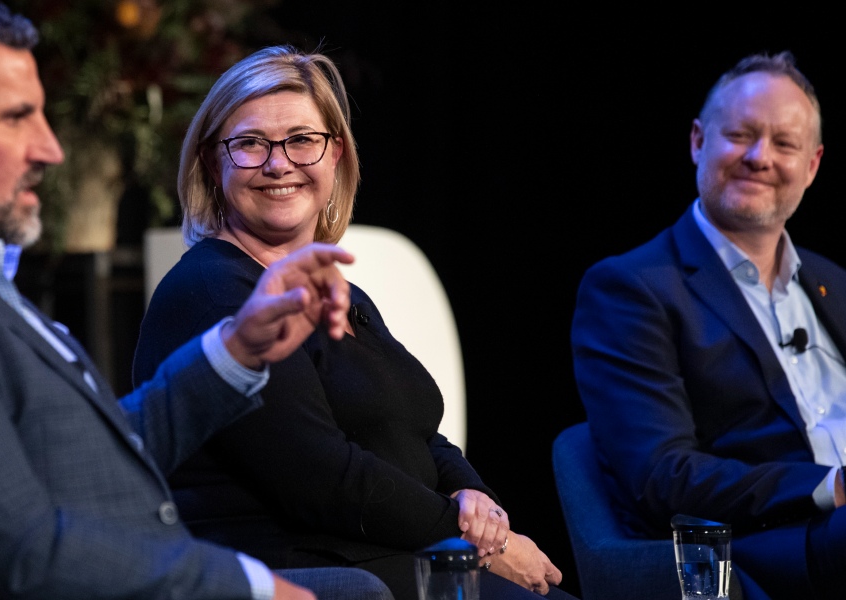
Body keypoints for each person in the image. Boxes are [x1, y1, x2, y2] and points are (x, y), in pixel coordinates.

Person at [0, 2, 398, 599]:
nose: (50, 149)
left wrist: (238, 350)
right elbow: (23, 557)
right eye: (15, 118)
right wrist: (246, 586)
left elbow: (88, 459)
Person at [132, 45, 575, 600]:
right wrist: (479, 544)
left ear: (335, 153)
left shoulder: (339, 289)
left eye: (302, 139)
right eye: (248, 144)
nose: (278, 163)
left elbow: (413, 430)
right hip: (309, 569)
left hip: (390, 550)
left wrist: (474, 497)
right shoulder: (212, 291)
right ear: (210, 163)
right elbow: (317, 478)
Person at [571, 50, 846, 599]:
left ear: (812, 165)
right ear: (698, 141)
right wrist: (829, 487)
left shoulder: (833, 283)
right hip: (767, 543)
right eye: (740, 134)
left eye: (784, 144)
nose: (759, 157)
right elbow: (661, 476)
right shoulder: (632, 287)